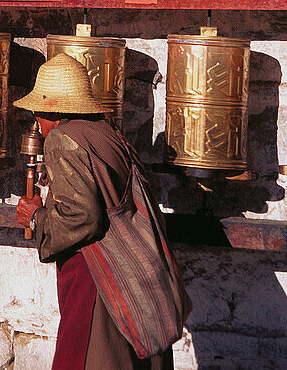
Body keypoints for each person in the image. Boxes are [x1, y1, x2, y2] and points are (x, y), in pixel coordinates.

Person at [15, 54, 177, 370]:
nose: (37, 121)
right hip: (132, 271)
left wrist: (36, 217)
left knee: (90, 356)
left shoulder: (63, 138)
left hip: (98, 274)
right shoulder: (107, 132)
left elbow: (82, 217)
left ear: (53, 109)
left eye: (38, 112)